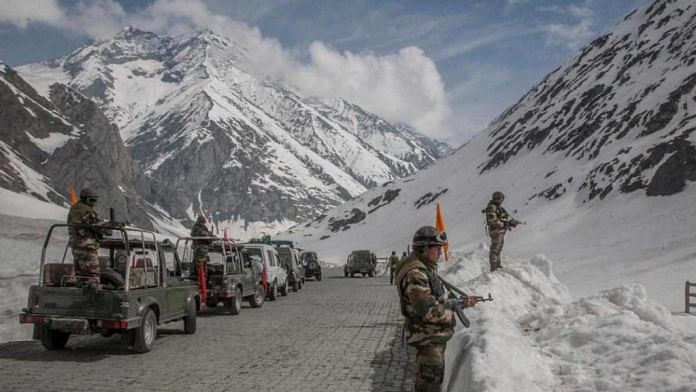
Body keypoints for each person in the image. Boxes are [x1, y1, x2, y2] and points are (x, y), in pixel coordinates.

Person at [395, 226, 476, 392]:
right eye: (437, 248)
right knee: (428, 387)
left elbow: (436, 297)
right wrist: (451, 312)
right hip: (427, 338)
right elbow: (427, 310)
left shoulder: (423, 267)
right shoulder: (416, 273)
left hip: (431, 337)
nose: (440, 253)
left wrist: (458, 303)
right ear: (425, 249)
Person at [67, 188, 124, 288]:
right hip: (86, 245)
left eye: (95, 200)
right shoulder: (85, 210)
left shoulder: (75, 208)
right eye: (92, 200)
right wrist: (111, 225)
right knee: (93, 275)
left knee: (81, 275)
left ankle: (82, 291)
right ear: (86, 199)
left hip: (76, 245)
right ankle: (93, 297)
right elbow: (98, 224)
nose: (94, 203)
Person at [484, 191, 520, 272]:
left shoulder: (498, 207)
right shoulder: (492, 207)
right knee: (495, 249)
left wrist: (510, 223)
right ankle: (493, 268)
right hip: (496, 231)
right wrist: (504, 224)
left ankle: (498, 265)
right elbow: (493, 219)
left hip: (500, 231)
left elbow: (502, 219)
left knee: (499, 248)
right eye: (501, 198)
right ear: (497, 198)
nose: (502, 200)